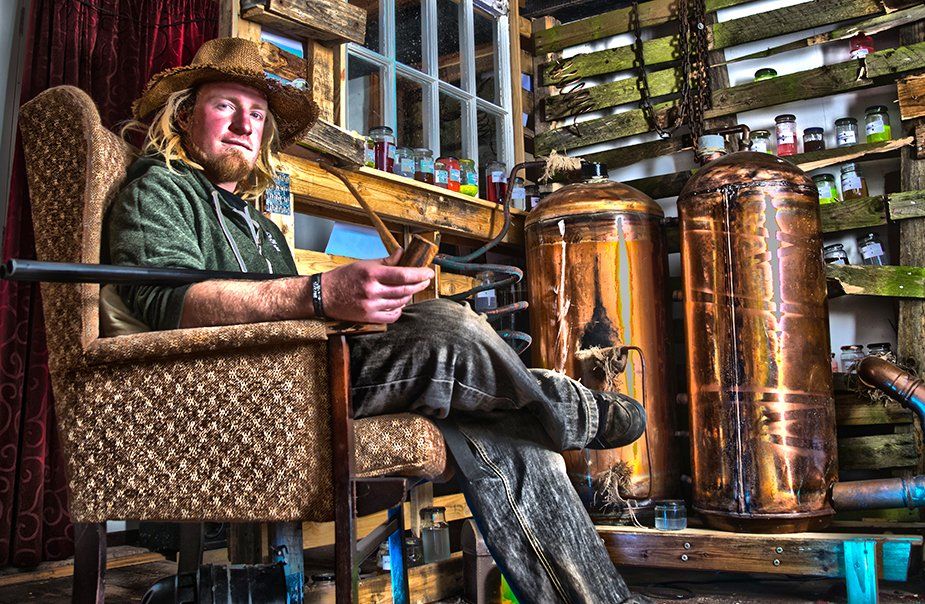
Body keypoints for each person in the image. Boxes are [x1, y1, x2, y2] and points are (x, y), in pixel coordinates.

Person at [107, 37, 651, 603]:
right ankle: (569, 409)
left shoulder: (261, 228)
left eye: (258, 114)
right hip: (235, 386)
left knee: (500, 428)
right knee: (450, 328)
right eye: (226, 106)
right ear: (184, 115)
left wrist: (371, 307)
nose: (245, 124)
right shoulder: (160, 188)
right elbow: (167, 302)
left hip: (307, 370)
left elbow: (302, 315)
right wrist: (320, 293)